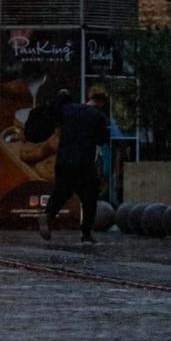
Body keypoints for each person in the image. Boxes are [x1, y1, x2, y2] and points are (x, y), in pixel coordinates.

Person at [41, 89, 111, 245]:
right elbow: (102, 140)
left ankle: (48, 215)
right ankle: (86, 233)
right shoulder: (98, 116)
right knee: (89, 197)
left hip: (64, 160)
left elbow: (56, 114)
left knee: (62, 191)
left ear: (89, 98)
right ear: (101, 103)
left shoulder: (70, 109)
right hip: (84, 163)